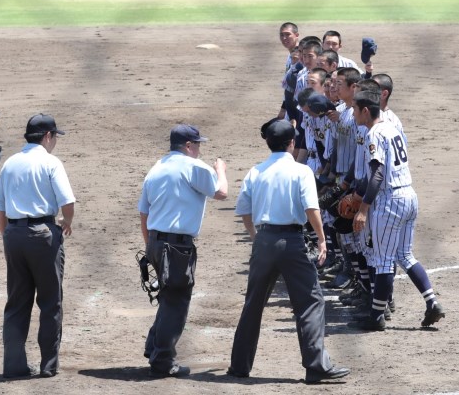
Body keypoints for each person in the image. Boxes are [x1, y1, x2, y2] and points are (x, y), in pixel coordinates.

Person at [227, 119, 349, 385]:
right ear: (292, 143)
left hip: (265, 240)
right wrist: (321, 239)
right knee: (310, 302)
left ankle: (239, 366)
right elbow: (311, 209)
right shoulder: (300, 171)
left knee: (253, 304)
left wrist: (255, 237)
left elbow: (244, 211)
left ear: (268, 143)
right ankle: (316, 366)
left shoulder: (256, 171)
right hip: (292, 242)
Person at [349, 90, 445, 331]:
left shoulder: (374, 134)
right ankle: (431, 302)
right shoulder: (392, 128)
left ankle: (376, 317)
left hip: (389, 200)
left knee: (382, 261)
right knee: (404, 255)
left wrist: (363, 209)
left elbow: (378, 174)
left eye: (354, 109)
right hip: (409, 196)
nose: (353, 114)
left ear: (365, 111)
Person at [138, 124, 228, 378]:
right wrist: (220, 170)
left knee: (169, 297)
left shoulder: (156, 168)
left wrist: (149, 245)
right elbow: (221, 192)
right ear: (188, 146)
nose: (199, 150)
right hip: (176, 246)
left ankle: (153, 345)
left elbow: (143, 213)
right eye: (198, 145)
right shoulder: (193, 167)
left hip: (156, 241)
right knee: (176, 301)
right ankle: (163, 361)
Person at [0, 114, 76, 379]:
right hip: (44, 235)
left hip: (14, 234)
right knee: (51, 302)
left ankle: (14, 365)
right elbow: (68, 203)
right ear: (47, 136)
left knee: (17, 302)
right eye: (54, 137)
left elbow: (0, 208)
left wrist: (9, 235)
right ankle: (48, 365)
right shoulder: (50, 162)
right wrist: (67, 222)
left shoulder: (10, 163)